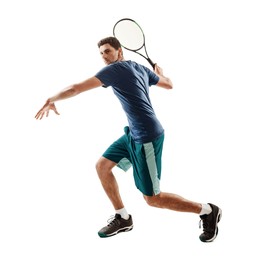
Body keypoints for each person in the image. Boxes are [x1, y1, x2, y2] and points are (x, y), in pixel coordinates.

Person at [35, 36, 222, 242]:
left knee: (152, 199)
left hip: (147, 138)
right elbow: (169, 84)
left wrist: (50, 99)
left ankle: (207, 210)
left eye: (107, 51)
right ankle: (123, 217)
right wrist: (160, 73)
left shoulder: (114, 70)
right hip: (133, 134)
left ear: (119, 51)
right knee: (102, 166)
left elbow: (75, 88)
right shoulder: (139, 67)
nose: (104, 57)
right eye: (101, 53)